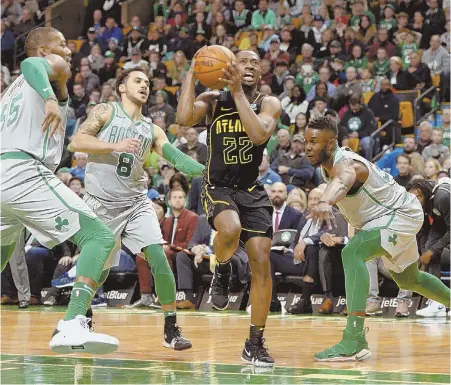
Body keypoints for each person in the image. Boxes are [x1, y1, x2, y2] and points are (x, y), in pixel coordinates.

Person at [0, 26, 120, 354]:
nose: (69, 50)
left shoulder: (15, 91)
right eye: (63, 44)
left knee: (3, 250)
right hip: (24, 171)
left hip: (4, 175)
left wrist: (60, 91)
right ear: (44, 51)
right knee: (101, 238)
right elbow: (31, 64)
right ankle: (72, 322)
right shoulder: (37, 68)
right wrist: (52, 97)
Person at [70, 67, 205, 350]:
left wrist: (207, 170)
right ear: (122, 87)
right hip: (101, 204)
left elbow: (176, 157)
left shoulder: (152, 128)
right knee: (99, 271)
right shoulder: (105, 111)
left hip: (135, 203)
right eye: (137, 81)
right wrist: (115, 144)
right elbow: (77, 142)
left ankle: (171, 327)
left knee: (157, 255)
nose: (144, 85)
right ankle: (83, 315)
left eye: (147, 82)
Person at [304, 115, 450, 361]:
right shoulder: (326, 166)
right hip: (386, 218)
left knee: (352, 253)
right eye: (306, 140)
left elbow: (343, 180)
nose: (308, 146)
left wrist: (325, 200)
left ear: (330, 144)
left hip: (399, 214)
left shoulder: (349, 164)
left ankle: (354, 340)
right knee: (409, 279)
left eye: (314, 142)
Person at [177, 50, 282, 366]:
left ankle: (254, 342)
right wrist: (192, 74)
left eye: (255, 62)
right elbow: (182, 119)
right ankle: (220, 267)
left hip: (251, 189)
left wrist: (237, 92)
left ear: (261, 72)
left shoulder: (269, 103)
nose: (249, 65)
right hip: (218, 185)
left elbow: (259, 134)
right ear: (229, 67)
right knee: (231, 228)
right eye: (242, 61)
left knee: (261, 261)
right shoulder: (213, 102)